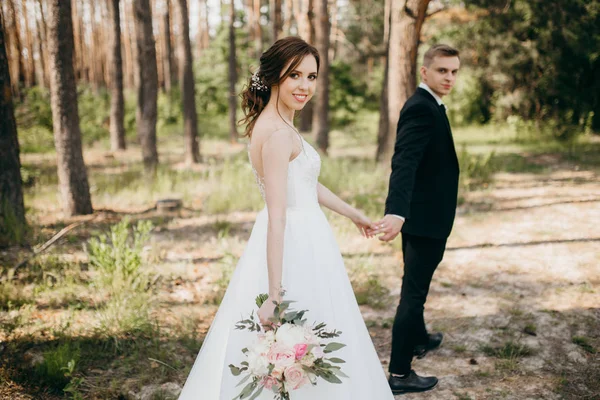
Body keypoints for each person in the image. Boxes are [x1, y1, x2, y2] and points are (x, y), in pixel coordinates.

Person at [179, 37, 395, 399]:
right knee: (298, 336)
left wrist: (352, 213)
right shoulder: (278, 134)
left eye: (312, 77)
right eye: (295, 75)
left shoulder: (277, 123)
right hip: (295, 242)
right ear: (274, 76)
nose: (305, 86)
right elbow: (278, 215)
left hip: (306, 235)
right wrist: (274, 295)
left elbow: (304, 184)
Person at [372, 44, 461, 395]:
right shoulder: (421, 108)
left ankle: (420, 338)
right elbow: (404, 162)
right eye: (442, 71)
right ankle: (398, 374)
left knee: (415, 283)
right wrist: (396, 211)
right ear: (424, 72)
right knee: (413, 295)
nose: (449, 77)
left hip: (429, 217)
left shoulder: (430, 104)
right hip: (423, 221)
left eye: (454, 71)